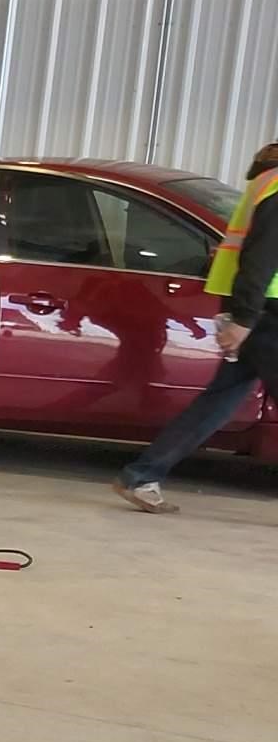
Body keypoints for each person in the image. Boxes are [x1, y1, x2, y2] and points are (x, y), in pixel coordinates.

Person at [116, 141, 278, 511]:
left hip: (254, 311)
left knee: (219, 401)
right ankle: (142, 475)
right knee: (219, 400)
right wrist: (243, 319)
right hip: (266, 314)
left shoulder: (266, 181)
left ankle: (142, 476)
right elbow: (261, 258)